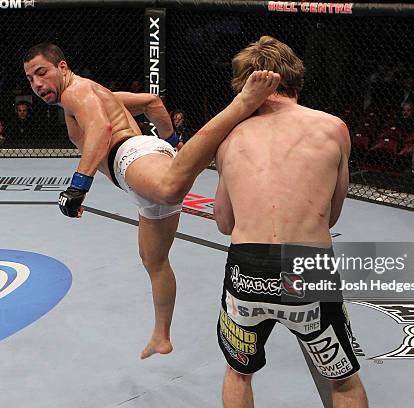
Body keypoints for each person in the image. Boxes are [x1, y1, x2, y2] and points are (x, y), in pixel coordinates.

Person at [23, 43, 279, 359]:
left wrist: (78, 186)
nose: (36, 84)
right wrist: (171, 141)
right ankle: (161, 336)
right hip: (140, 171)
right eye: (30, 79)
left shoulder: (74, 91)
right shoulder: (94, 94)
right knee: (154, 261)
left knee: (171, 188)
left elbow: (102, 131)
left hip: (134, 158)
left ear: (62, 67)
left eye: (41, 73)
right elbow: (151, 102)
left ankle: (241, 106)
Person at [212, 36, 368, 408]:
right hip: (308, 265)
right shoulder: (334, 128)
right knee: (343, 381)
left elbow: (223, 221)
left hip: (246, 270)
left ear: (245, 85)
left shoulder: (227, 135)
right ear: (294, 77)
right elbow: (331, 215)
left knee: (238, 373)